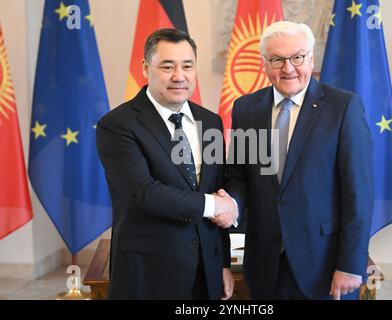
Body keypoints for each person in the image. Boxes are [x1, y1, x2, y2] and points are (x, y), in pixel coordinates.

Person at [225, 21, 374, 300]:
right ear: (264, 64)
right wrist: (231, 203)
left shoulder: (343, 107)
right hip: (265, 264)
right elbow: (238, 176)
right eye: (277, 59)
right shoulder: (246, 109)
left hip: (325, 266)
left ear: (311, 58)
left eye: (297, 57)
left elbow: (359, 193)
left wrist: (351, 265)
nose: (288, 68)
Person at [96, 28, 238, 300]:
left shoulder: (210, 121)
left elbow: (217, 186)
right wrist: (214, 205)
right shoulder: (117, 125)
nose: (179, 76)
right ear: (146, 68)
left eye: (187, 66)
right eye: (167, 66)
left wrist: (221, 263)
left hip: (205, 274)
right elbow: (143, 193)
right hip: (148, 274)